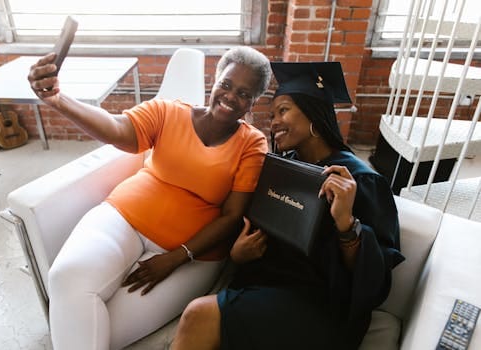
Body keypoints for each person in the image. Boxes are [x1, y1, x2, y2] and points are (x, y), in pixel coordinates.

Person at [26, 46, 272, 350]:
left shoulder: (252, 144)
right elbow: (117, 128)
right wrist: (58, 101)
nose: (231, 97)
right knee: (66, 279)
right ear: (215, 79)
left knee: (96, 331)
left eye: (244, 94)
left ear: (254, 101)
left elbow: (232, 216)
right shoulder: (168, 112)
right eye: (226, 84)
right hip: (122, 218)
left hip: (193, 255)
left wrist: (175, 258)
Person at [171, 62, 405, 350]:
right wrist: (239, 254)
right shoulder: (284, 169)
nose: (274, 123)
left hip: (321, 305)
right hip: (270, 290)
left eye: (283, 110)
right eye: (271, 115)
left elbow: (375, 282)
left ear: (313, 114)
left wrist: (347, 223)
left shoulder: (360, 180)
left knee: (198, 315)